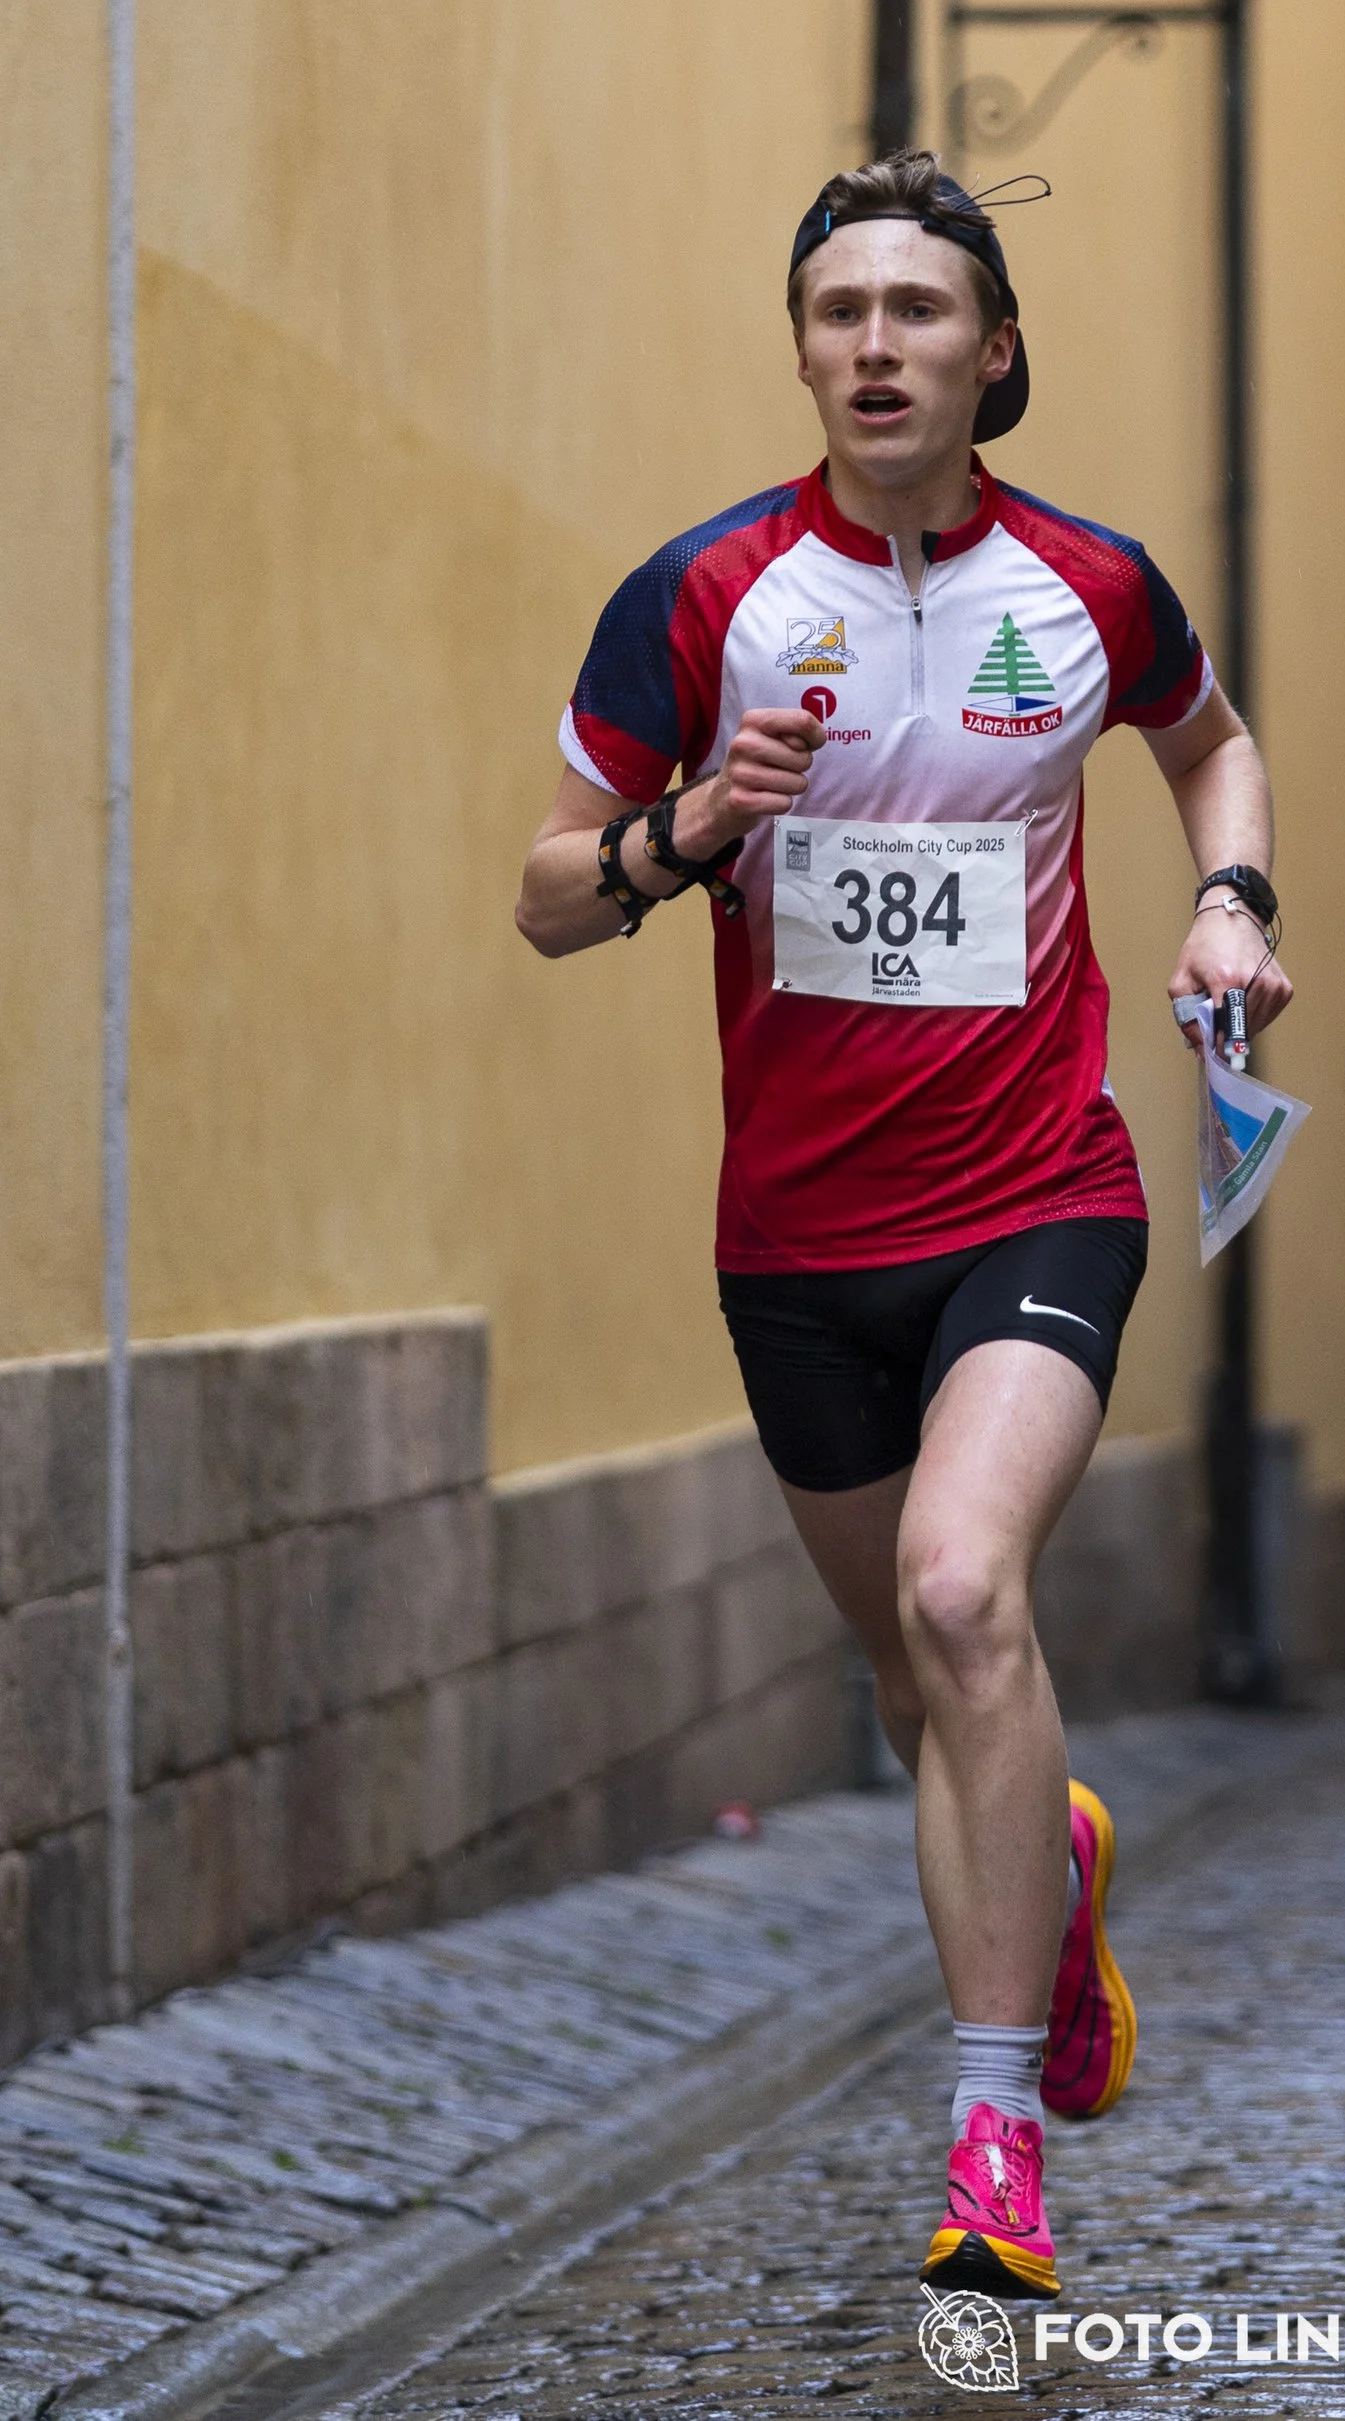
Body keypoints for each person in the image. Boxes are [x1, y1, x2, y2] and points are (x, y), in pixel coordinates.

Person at [514, 152, 1291, 2303]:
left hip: (1038, 1189)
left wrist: (1230, 897)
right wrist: (694, 821)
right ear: (802, 348)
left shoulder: (1094, 583)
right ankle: (1049, 1857)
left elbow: (1210, 748)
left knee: (966, 1592)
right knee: (912, 1679)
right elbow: (548, 891)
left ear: (992, 350)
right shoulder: (706, 597)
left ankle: (989, 2140)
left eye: (917, 308)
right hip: (794, 1239)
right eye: (838, 308)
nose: (874, 341)